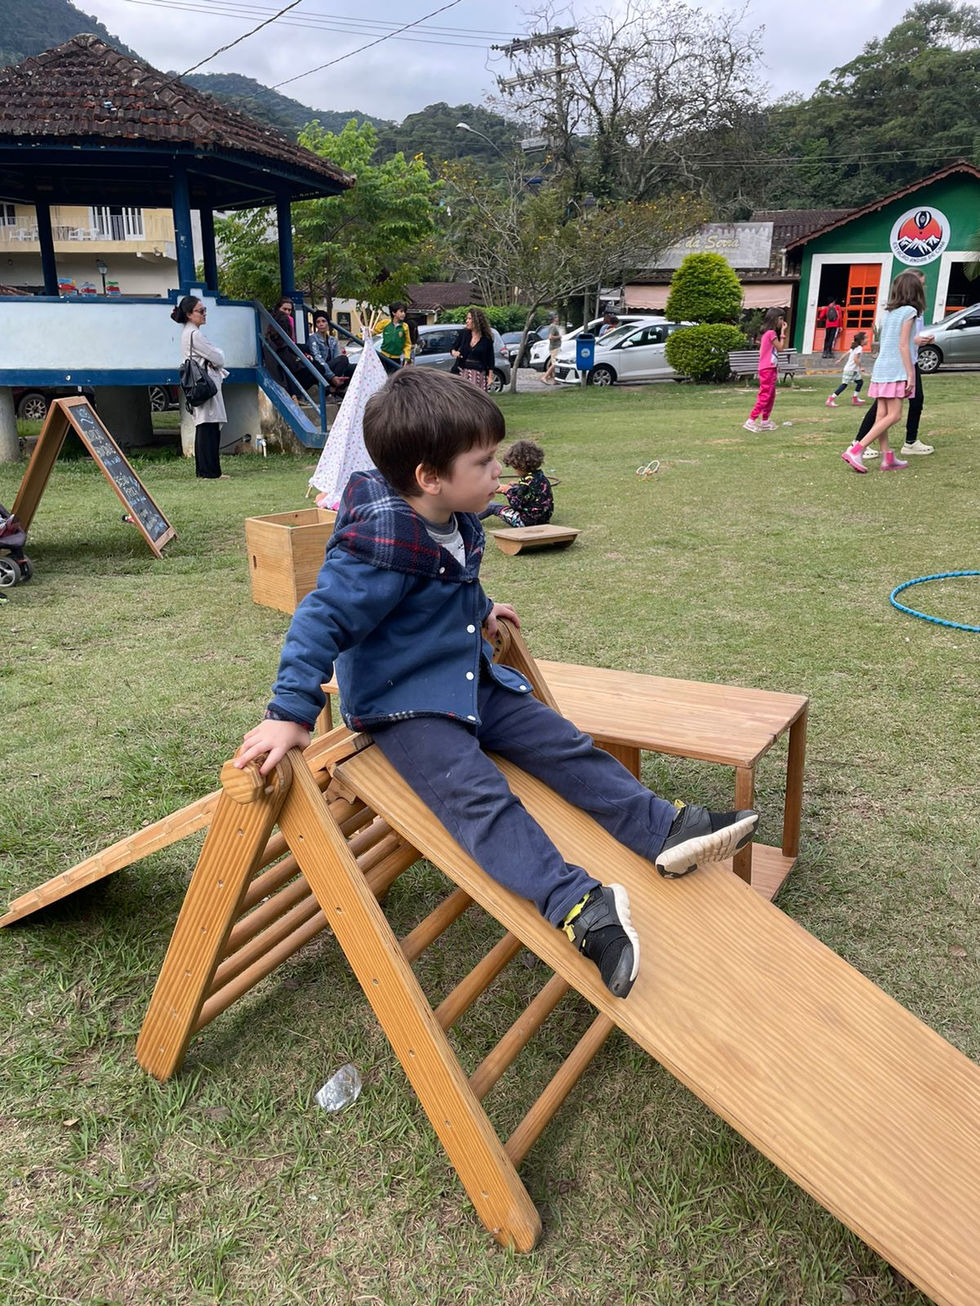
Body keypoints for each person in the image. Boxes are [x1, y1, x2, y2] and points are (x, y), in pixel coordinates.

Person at [235, 369, 759, 999]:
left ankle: (661, 830)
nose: (497, 474)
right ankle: (577, 909)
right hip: (407, 708)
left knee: (564, 742)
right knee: (479, 799)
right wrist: (288, 712)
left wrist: (479, 609)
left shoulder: (454, 516)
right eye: (483, 463)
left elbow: (452, 576)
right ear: (430, 477)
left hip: (468, 677)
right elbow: (319, 621)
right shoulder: (374, 548)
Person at [841, 270, 925, 473]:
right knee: (894, 415)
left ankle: (888, 458)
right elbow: (903, 345)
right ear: (914, 291)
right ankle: (857, 449)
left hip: (881, 368)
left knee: (882, 415)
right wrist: (910, 375)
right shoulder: (910, 312)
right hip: (896, 369)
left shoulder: (889, 312)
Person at [172, 295, 229, 480]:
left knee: (207, 426)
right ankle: (209, 471)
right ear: (189, 314)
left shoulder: (189, 332)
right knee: (208, 428)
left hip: (201, 382)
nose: (204, 314)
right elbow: (218, 357)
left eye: (204, 310)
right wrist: (216, 357)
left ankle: (208, 470)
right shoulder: (194, 334)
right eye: (200, 311)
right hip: (205, 384)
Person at [482, 438, 554, 527]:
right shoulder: (540, 477)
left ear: (519, 465)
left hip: (526, 522)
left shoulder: (525, 483)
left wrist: (507, 490)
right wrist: (516, 486)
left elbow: (516, 504)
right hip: (543, 519)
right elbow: (530, 493)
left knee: (492, 506)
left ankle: (469, 520)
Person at [743, 308, 788, 433]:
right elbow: (780, 348)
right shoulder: (771, 333)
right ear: (775, 319)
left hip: (769, 368)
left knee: (770, 395)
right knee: (765, 395)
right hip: (767, 368)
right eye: (781, 319)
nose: (782, 322)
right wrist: (783, 332)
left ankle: (765, 421)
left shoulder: (767, 334)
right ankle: (751, 420)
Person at [307, 311, 353, 397]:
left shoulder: (332, 340)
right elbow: (318, 359)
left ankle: (338, 388)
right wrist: (332, 377)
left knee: (353, 367)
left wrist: (338, 373)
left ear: (328, 323)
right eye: (318, 322)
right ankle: (332, 387)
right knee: (343, 359)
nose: (321, 324)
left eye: (323, 321)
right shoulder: (313, 338)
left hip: (332, 370)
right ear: (316, 325)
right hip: (321, 371)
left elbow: (336, 358)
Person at [450, 308, 495, 391]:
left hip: (478, 374)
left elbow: (491, 359)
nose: (467, 321)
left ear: (477, 321)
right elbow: (452, 348)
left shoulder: (486, 339)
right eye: (467, 318)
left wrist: (490, 377)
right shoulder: (464, 334)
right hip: (462, 372)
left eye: (469, 319)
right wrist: (454, 352)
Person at [826, 332, 868, 407]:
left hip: (853, 371)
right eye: (866, 338)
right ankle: (831, 399)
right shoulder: (859, 348)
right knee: (844, 385)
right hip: (850, 370)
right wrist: (861, 367)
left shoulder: (855, 347)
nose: (867, 340)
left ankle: (855, 398)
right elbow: (855, 359)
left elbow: (846, 353)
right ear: (861, 340)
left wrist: (840, 359)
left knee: (860, 382)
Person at [376, 302, 412, 369]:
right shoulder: (385, 323)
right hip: (383, 356)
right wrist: (360, 335)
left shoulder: (405, 327)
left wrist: (407, 358)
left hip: (396, 358)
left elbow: (407, 344)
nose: (403, 314)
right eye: (401, 311)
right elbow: (373, 331)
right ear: (394, 313)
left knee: (393, 377)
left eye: (404, 312)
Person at [542, 313, 562, 384]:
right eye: (556, 317)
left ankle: (555, 380)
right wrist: (559, 337)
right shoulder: (553, 327)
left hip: (555, 347)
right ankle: (545, 377)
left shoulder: (554, 327)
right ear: (554, 319)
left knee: (552, 363)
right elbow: (550, 337)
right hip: (554, 347)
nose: (558, 318)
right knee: (555, 363)